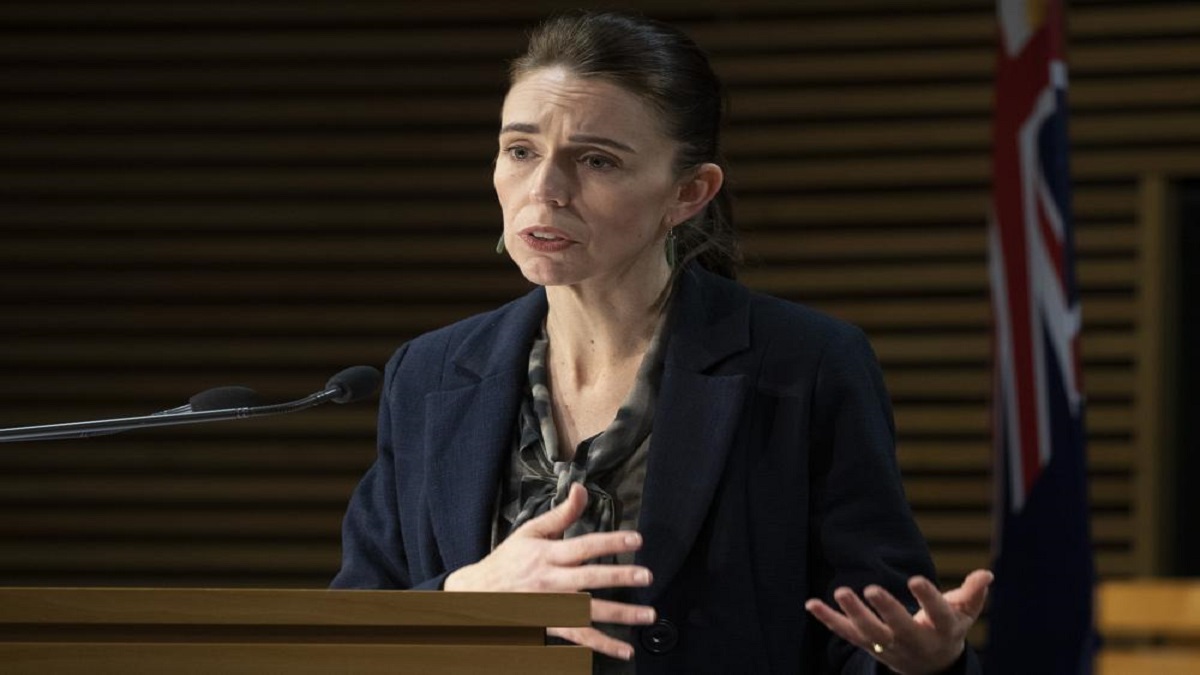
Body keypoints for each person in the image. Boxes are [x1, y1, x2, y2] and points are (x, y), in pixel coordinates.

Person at [332, 10, 992, 674]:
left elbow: (869, 627)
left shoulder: (805, 364)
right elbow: (350, 631)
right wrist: (465, 597)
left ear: (689, 192)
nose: (545, 189)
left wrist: (924, 663)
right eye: (521, 151)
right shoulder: (430, 372)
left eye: (596, 160)